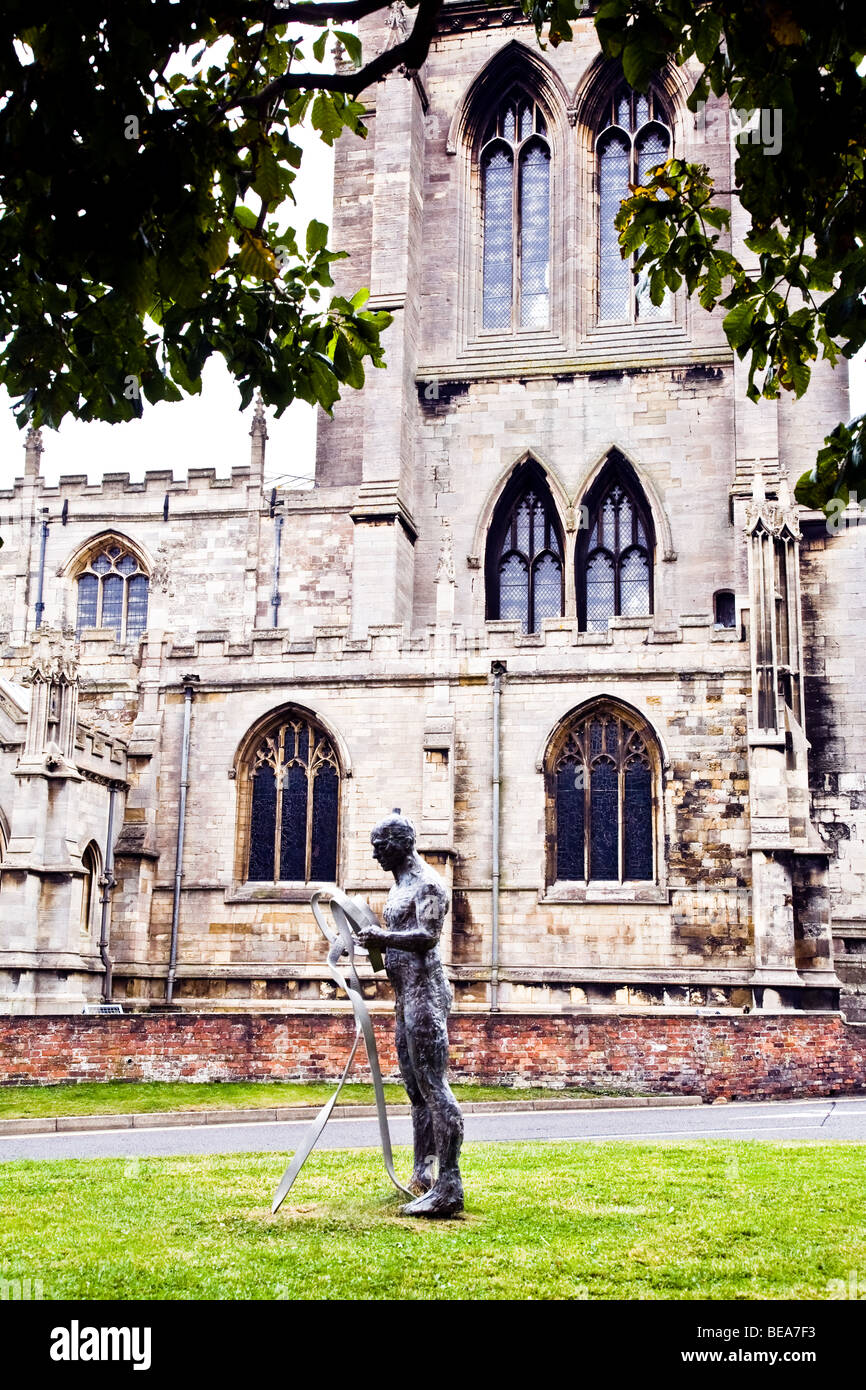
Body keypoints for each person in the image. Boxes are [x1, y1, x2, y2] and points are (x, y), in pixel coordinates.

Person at [354, 810, 464, 1218]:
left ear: (402, 843)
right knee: (415, 1090)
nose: (375, 855)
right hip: (404, 996)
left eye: (380, 846)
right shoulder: (399, 886)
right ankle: (423, 1173)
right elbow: (399, 942)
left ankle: (450, 1185)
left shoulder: (429, 884)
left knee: (434, 1086)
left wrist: (383, 936)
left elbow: (428, 936)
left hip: (426, 996)